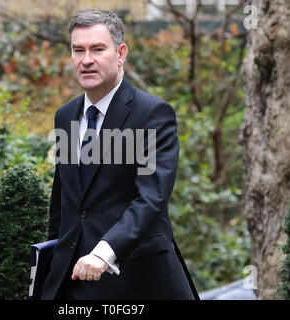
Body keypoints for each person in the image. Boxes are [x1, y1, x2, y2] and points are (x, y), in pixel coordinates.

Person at [41, 8, 199, 300]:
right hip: (72, 279)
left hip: (137, 279)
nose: (86, 60)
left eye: (98, 49)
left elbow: (151, 199)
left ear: (121, 53)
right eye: (78, 50)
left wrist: (103, 253)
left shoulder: (152, 113)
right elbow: (63, 202)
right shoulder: (65, 116)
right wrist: (50, 258)